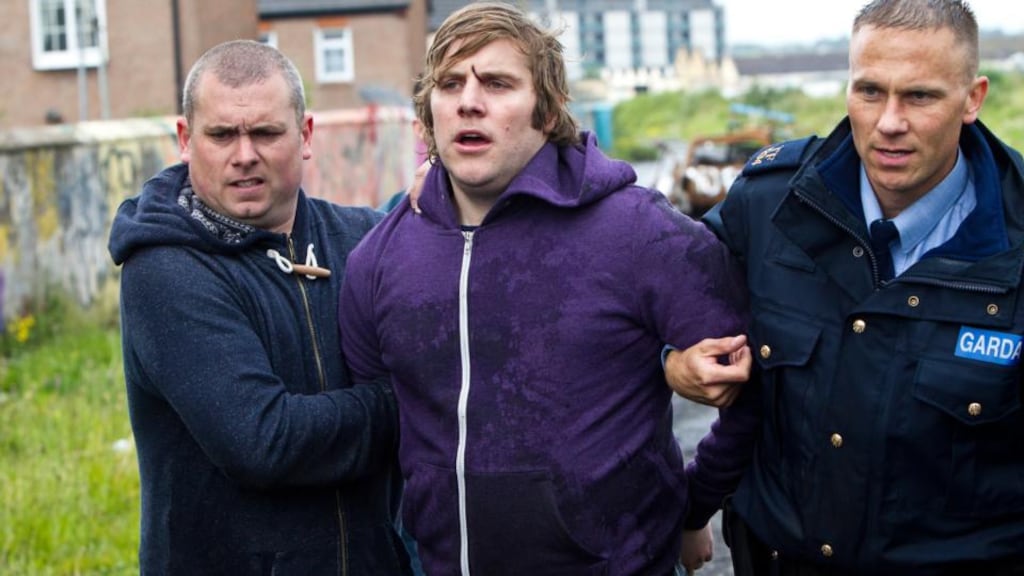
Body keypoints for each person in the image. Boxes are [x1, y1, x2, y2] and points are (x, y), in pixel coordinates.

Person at [337, 3, 755, 575]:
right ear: (428, 110)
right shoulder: (380, 258)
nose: (468, 101)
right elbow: (379, 425)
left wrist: (695, 501)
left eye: (498, 83)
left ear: (550, 108)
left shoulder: (638, 231)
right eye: (450, 83)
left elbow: (758, 380)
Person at [671, 0, 1024, 574]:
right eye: (869, 91)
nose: (889, 121)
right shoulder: (767, 205)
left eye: (920, 96)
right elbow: (665, 293)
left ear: (973, 99)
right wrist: (674, 359)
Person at [108, 39, 411, 575]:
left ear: (306, 135)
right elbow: (262, 440)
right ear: (185, 139)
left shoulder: (364, 240)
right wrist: (407, 401)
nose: (243, 154)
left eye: (266, 132)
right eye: (222, 134)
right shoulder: (164, 269)